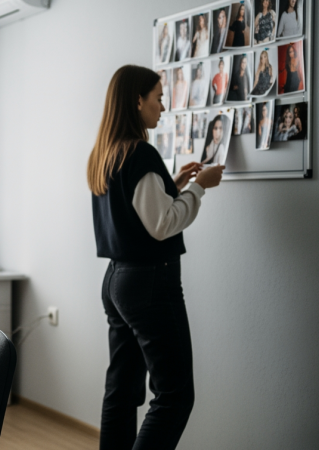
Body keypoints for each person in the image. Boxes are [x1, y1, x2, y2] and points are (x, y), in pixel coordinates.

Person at [88, 65, 224, 450]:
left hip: (116, 281)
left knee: (122, 390)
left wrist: (175, 183)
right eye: (159, 97)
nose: (163, 106)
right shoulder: (140, 153)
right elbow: (163, 224)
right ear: (138, 101)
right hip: (149, 284)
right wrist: (199, 188)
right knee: (175, 395)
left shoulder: (107, 154)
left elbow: (138, 209)